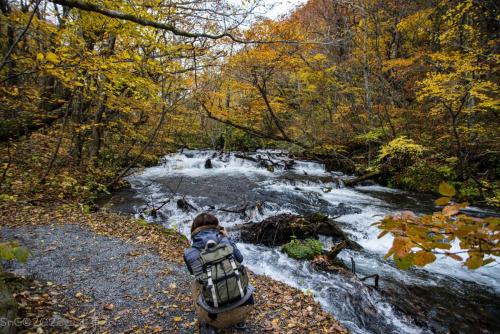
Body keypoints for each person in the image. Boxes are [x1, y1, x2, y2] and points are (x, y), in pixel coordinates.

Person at [184, 213, 255, 333]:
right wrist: (227, 238)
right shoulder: (225, 241)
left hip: (215, 317)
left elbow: (195, 273)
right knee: (236, 271)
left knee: (196, 283)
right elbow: (240, 259)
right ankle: (240, 322)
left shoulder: (189, 253)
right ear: (218, 227)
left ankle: (209, 325)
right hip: (245, 307)